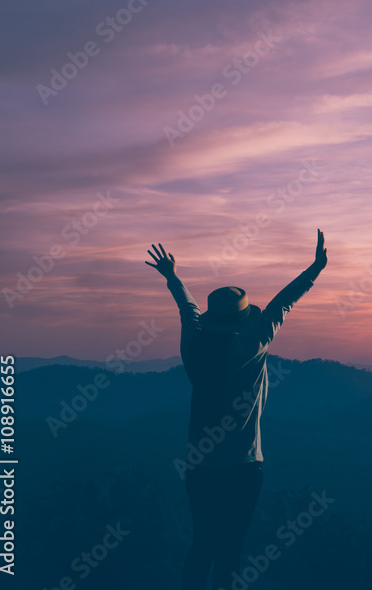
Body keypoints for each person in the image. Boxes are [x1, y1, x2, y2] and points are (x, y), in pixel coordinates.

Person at [145, 229, 328, 590]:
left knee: (202, 546)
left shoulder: (194, 345)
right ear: (242, 319)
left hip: (201, 466)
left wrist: (172, 276)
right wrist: (315, 268)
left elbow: (188, 309)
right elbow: (282, 303)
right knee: (230, 553)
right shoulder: (252, 344)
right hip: (245, 468)